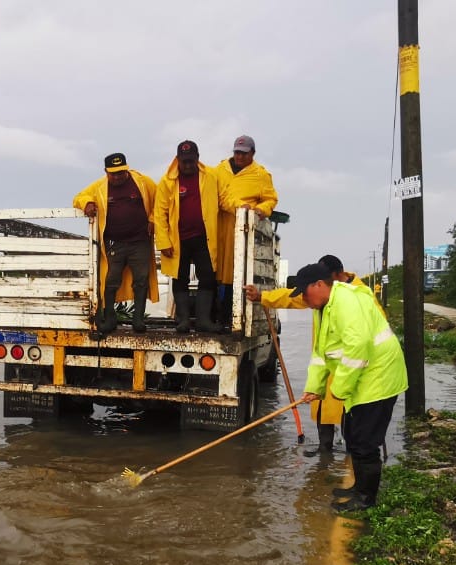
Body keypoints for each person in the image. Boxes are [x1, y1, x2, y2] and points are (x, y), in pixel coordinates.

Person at [289, 262, 408, 513]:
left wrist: (338, 390)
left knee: (365, 443)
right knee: (353, 437)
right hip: (362, 382)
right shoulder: (323, 308)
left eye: (304, 291)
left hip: (378, 379)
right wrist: (315, 388)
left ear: (319, 285)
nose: (303, 298)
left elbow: (357, 347)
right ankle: (358, 488)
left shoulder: (346, 301)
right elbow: (321, 355)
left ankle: (366, 500)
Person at [243, 255, 368, 457]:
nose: (307, 300)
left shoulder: (359, 296)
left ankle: (352, 460)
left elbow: (364, 341)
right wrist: (262, 297)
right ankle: (325, 452)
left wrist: (345, 381)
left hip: (354, 367)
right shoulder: (319, 296)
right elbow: (292, 298)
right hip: (328, 365)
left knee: (352, 415)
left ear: (334, 276)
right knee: (322, 406)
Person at [74, 153, 159, 334]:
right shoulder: (99, 186)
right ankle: (110, 317)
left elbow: (160, 200)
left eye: (121, 172)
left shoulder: (143, 182)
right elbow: (79, 197)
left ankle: (138, 319)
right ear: (106, 172)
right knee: (111, 281)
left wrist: (152, 219)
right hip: (115, 243)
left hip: (140, 241)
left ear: (127, 169)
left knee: (141, 280)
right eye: (114, 173)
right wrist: (87, 203)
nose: (118, 176)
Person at [211, 135, 278, 330]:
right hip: (219, 225)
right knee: (214, 270)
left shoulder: (261, 174)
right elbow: (216, 196)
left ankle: (230, 317)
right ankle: (213, 317)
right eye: (237, 152)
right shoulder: (218, 170)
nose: (239, 157)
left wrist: (261, 210)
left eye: (244, 153)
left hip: (243, 230)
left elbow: (270, 199)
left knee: (236, 272)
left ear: (252, 153)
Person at [154, 140, 221, 333]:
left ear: (198, 158)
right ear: (178, 160)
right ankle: (182, 320)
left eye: (191, 161)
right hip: (178, 239)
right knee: (179, 276)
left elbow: (224, 197)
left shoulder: (210, 176)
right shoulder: (167, 181)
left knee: (208, 277)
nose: (188, 165)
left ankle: (203, 321)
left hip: (204, 237)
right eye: (185, 162)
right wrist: (163, 241)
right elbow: (160, 214)